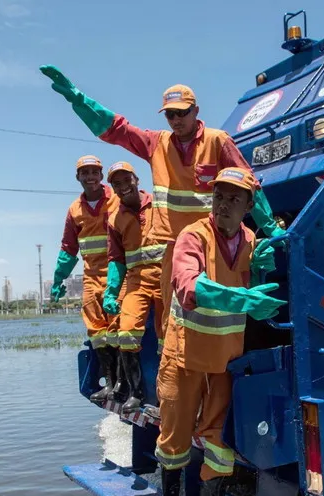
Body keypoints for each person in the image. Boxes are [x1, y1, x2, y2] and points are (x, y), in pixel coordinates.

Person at [38, 65, 286, 329]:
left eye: (182, 113)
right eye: (170, 115)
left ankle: (220, 367)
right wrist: (78, 100)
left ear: (196, 111)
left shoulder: (217, 141)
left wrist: (270, 228)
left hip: (214, 245)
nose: (176, 120)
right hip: (174, 249)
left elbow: (249, 185)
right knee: (173, 322)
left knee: (219, 319)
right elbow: (117, 129)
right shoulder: (157, 144)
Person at [142, 167, 286, 496]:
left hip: (224, 362)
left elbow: (254, 277)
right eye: (218, 196)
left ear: (248, 207)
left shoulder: (251, 240)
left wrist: (263, 266)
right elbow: (189, 285)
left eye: (233, 199)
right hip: (184, 356)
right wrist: (244, 300)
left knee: (218, 445)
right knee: (173, 438)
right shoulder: (193, 236)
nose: (223, 205)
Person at [52, 155, 122, 403]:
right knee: (97, 331)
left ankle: (124, 382)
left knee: (121, 329)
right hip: (92, 276)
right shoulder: (74, 210)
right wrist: (58, 279)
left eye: (94, 172)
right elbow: (68, 248)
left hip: (119, 272)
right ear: (78, 177)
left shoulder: (116, 199)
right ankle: (111, 382)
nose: (90, 177)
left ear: (101, 175)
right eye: (85, 173)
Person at [102, 161, 162, 413]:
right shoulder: (115, 219)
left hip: (165, 279)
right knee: (126, 333)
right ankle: (137, 392)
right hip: (136, 283)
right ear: (113, 189)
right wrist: (111, 291)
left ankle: (168, 394)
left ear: (137, 179)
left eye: (127, 180)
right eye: (117, 183)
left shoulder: (160, 205)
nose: (123, 186)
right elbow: (116, 259)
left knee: (168, 338)